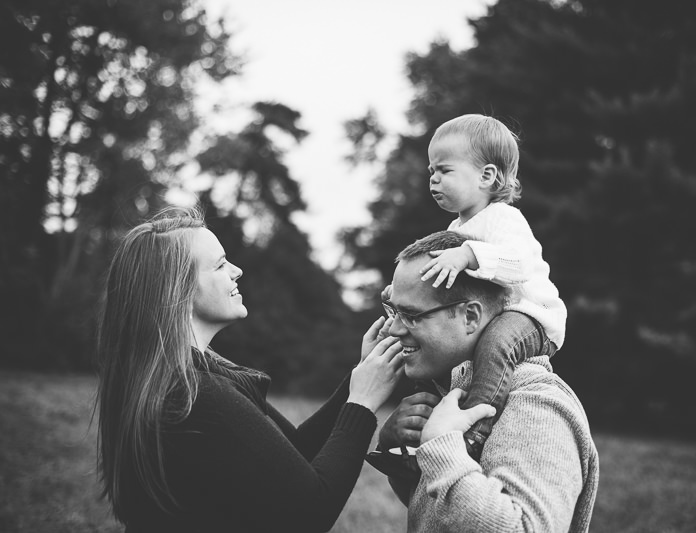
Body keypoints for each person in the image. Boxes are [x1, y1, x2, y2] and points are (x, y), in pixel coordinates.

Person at [94, 206, 405, 533]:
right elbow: (310, 512)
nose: (237, 270)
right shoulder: (196, 397)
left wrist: (360, 374)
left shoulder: (187, 380)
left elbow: (293, 453)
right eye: (220, 265)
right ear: (179, 291)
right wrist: (362, 404)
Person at [373, 230, 598, 532]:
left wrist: (442, 447)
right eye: (394, 311)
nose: (395, 329)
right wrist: (394, 448)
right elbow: (440, 516)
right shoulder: (454, 395)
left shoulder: (537, 406)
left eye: (411, 315)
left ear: (470, 317)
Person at [418, 113, 568, 460]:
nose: (433, 179)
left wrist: (468, 254)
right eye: (431, 172)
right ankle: (420, 428)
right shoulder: (457, 226)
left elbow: (518, 265)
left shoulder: (504, 218)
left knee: (496, 342)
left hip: (532, 317)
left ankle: (475, 431)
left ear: (487, 176)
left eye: (444, 170)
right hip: (495, 314)